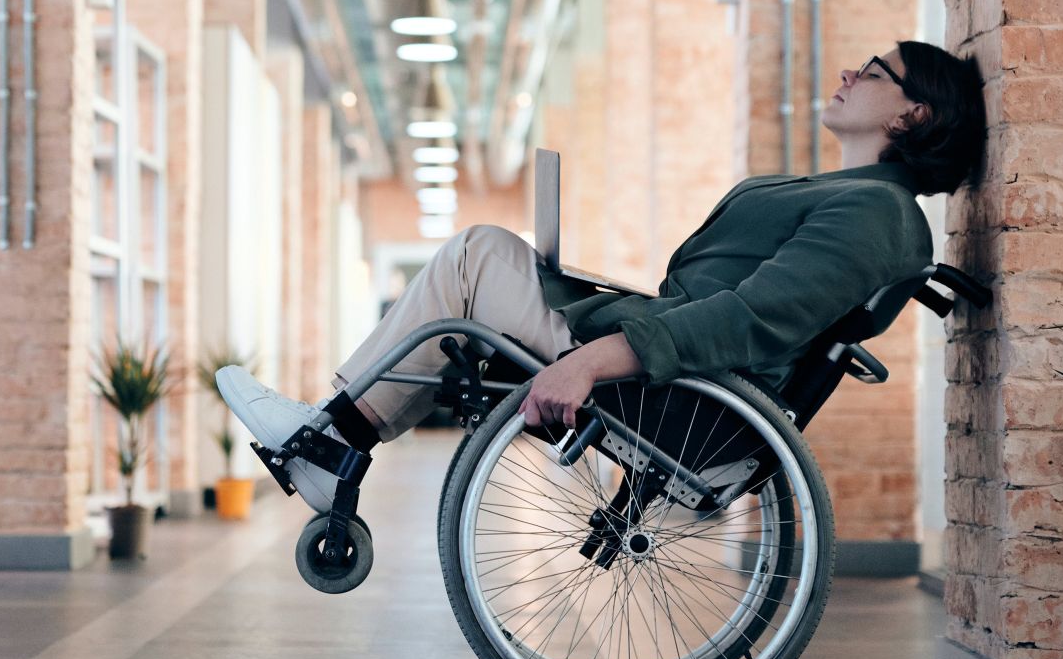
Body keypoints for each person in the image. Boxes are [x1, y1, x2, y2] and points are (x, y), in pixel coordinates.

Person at [219, 39, 988, 513]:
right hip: (668, 370)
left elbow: (752, 320)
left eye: (878, 69)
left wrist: (589, 357)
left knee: (478, 253)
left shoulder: (875, 215)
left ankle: (329, 445)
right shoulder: (852, 197)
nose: (853, 70)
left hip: (680, 401)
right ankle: (332, 442)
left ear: (912, 116)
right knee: (482, 255)